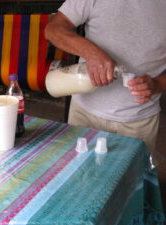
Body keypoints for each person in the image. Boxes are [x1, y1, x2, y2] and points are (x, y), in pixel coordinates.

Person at [44, 0, 166, 152]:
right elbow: (54, 29)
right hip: (84, 113)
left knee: (131, 174)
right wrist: (91, 52)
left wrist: (157, 84)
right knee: (76, 171)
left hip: (139, 122)